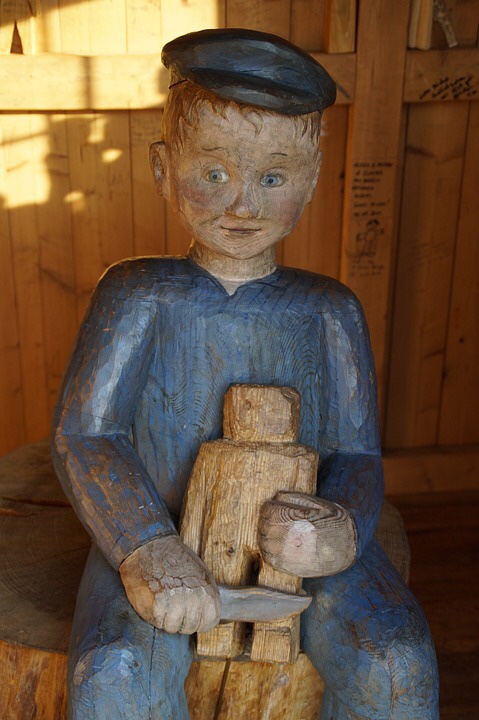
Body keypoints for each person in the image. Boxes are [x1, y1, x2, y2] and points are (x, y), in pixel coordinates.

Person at [52, 28, 439, 720]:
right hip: (159, 539)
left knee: (394, 661)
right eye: (214, 174)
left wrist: (341, 528)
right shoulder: (137, 294)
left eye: (273, 178)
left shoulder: (328, 309)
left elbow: (356, 453)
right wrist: (145, 546)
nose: (242, 206)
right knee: (113, 673)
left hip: (301, 556)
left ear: (311, 179)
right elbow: (86, 436)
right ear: (162, 168)